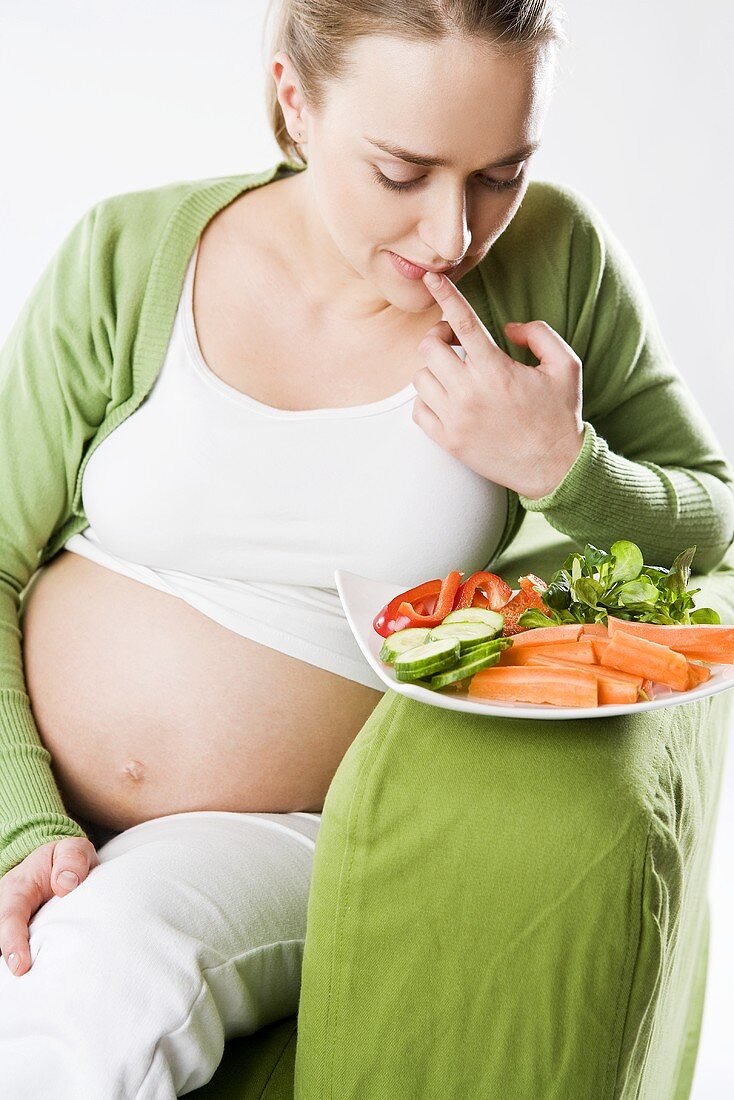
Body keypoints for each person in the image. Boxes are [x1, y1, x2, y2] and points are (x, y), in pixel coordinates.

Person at [1, 0, 732, 1095]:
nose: (453, 233)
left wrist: (560, 467)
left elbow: (707, 517)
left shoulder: (552, 259)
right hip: (34, 791)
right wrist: (20, 812)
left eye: (501, 171)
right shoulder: (128, 252)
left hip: (282, 835)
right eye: (400, 171)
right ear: (294, 100)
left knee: (115, 968)